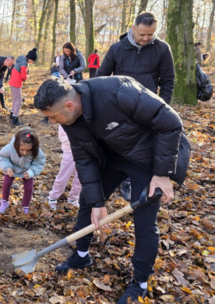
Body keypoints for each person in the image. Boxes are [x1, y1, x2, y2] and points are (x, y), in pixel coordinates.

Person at [35, 77, 189, 304]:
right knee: (88, 199)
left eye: (52, 117)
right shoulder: (69, 121)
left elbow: (170, 122)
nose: (51, 122)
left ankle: (141, 282)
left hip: (149, 159)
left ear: (69, 105)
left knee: (144, 221)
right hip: (113, 157)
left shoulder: (118, 91)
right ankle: (81, 255)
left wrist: (162, 173)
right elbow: (85, 160)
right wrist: (98, 203)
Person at [96, 12, 176, 104]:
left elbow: (168, 80)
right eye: (142, 35)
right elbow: (101, 77)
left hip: (148, 103)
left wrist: (162, 106)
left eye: (150, 34)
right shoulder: (117, 48)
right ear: (133, 29)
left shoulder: (163, 49)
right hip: (119, 103)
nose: (145, 38)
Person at [0, 128, 45, 214]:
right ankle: (4, 202)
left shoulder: (37, 151)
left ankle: (25, 206)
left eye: (28, 150)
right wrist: (7, 168)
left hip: (27, 170)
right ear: (16, 145)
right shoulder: (10, 148)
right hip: (12, 168)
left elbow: (39, 163)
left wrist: (31, 172)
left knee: (29, 188)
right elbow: (2, 157)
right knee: (6, 183)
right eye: (22, 150)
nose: (25, 153)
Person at [47, 124, 82, 211]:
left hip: (85, 150)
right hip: (70, 150)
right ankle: (53, 196)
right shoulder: (64, 116)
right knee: (64, 175)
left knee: (81, 176)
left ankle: (73, 198)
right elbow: (63, 136)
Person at [8, 51, 31, 126]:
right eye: (33, 61)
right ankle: (15, 118)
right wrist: (27, 77)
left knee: (15, 100)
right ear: (30, 59)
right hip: (16, 84)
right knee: (18, 101)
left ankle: (12, 114)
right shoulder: (24, 63)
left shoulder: (19, 61)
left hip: (12, 82)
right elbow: (23, 76)